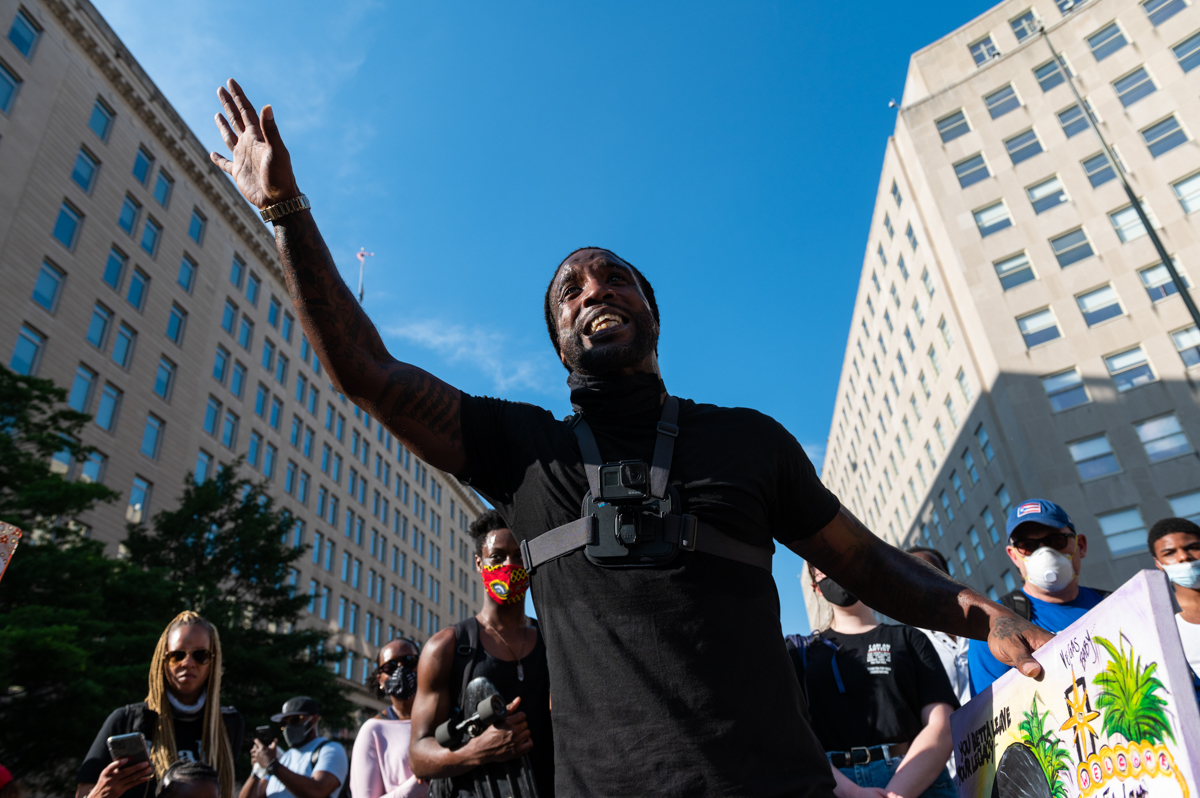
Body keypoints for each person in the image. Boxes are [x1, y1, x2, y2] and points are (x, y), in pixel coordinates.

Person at [208, 80, 1051, 797]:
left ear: (651, 312)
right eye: (570, 290)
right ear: (558, 340)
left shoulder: (749, 441)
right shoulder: (523, 453)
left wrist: (984, 615)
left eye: (614, 277)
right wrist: (283, 209)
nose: (594, 290)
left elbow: (864, 562)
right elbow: (367, 373)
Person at [409, 511, 552, 798]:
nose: (509, 565)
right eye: (497, 557)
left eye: (518, 556)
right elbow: (418, 757)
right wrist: (479, 750)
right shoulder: (446, 647)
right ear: (479, 563)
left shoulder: (553, 642)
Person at [793, 566, 957, 798]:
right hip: (836, 785)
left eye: (839, 564)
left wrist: (895, 793)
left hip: (916, 778)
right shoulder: (802, 653)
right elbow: (795, 737)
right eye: (824, 570)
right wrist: (852, 792)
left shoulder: (909, 639)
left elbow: (941, 725)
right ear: (816, 588)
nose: (837, 574)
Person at [77, 611, 243, 798]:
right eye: (177, 655)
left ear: (213, 660)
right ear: (163, 660)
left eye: (200, 655)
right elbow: (83, 793)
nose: (188, 663)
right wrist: (100, 794)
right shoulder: (126, 720)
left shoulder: (229, 724)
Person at [968, 499, 1107, 695]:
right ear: (1014, 556)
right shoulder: (993, 626)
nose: (1044, 553)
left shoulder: (1115, 604)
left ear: (1080, 545)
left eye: (1055, 541)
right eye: (1027, 545)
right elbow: (989, 710)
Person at [350, 640, 427, 798]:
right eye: (390, 667)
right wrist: (421, 782)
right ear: (380, 680)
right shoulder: (373, 730)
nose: (401, 669)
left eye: (409, 661)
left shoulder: (443, 716)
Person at [239, 697, 347, 798]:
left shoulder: (331, 750)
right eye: (284, 723)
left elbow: (318, 791)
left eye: (295, 720)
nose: (288, 727)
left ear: (314, 719)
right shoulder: (284, 758)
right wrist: (258, 768)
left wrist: (272, 765)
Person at [904, 548, 970, 708]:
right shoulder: (910, 647)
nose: (927, 581)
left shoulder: (982, 627)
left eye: (934, 572)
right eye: (916, 575)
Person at [1147, 516, 1200, 679]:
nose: (1183, 557)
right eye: (1169, 553)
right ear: (1158, 563)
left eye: (1193, 547)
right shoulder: (1157, 622)